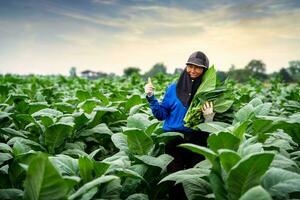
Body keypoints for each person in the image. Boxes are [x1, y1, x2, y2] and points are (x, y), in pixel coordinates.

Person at [144, 51, 215, 199]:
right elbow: (161, 115)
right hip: (174, 139)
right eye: (190, 66)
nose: (193, 71)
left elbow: (210, 126)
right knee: (175, 180)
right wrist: (151, 97)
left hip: (197, 140)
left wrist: (209, 119)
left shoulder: (209, 92)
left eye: (198, 67)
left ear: (204, 70)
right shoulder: (173, 89)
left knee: (193, 181)